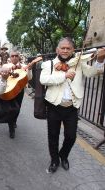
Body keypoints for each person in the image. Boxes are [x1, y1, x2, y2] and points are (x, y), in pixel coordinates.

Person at [40, 37, 105, 174]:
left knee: (71, 136)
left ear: (73, 50)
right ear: (57, 50)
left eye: (68, 48)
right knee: (53, 135)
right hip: (54, 105)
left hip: (72, 106)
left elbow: (92, 72)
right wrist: (64, 76)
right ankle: (54, 160)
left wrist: (99, 60)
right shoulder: (49, 64)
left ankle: (63, 155)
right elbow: (43, 80)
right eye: (62, 48)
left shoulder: (79, 63)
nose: (65, 50)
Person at [0, 50, 32, 138]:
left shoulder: (24, 66)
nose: (14, 57)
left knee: (18, 107)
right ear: (10, 57)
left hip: (20, 89)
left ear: (19, 57)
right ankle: (11, 129)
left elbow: (29, 78)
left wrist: (29, 69)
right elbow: (1, 77)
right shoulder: (6, 66)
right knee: (11, 109)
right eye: (12, 56)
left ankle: (14, 121)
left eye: (16, 56)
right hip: (10, 89)